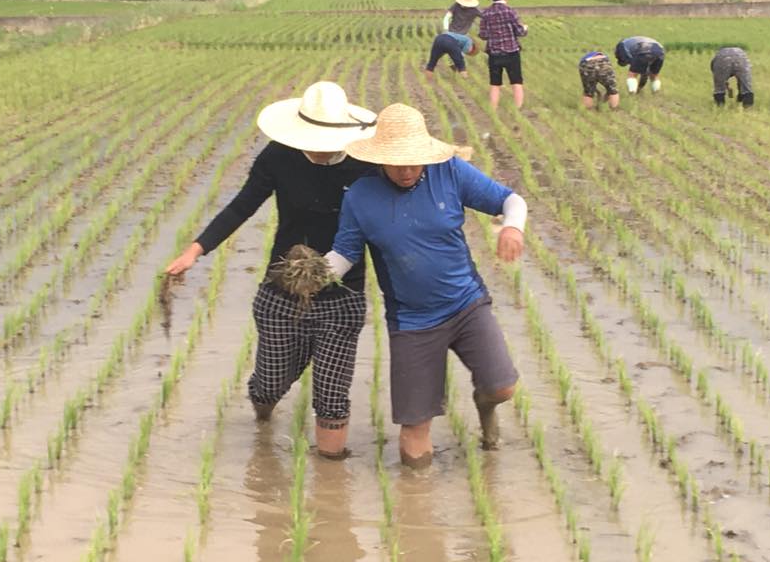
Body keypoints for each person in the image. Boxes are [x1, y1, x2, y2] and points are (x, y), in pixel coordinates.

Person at [165, 82, 377, 459]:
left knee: (331, 396)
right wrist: (195, 251)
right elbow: (241, 206)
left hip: (344, 296)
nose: (321, 146)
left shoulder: (366, 164)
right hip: (282, 292)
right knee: (271, 382)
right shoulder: (278, 157)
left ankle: (331, 485)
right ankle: (263, 413)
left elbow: (387, 227)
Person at [326, 103, 528, 468]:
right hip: (413, 322)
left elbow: (510, 200)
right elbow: (345, 253)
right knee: (414, 443)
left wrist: (512, 227)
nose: (406, 169)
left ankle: (484, 404)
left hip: (466, 304)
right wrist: (311, 277)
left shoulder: (449, 172)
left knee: (502, 387)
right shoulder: (359, 196)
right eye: (397, 161)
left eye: (414, 160)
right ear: (380, 158)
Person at [479, 0, 528, 110]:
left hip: (494, 54)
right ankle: (518, 109)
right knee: (516, 82)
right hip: (511, 52)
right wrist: (525, 28)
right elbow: (520, 32)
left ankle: (493, 110)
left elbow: (483, 35)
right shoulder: (510, 11)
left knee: (495, 84)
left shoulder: (486, 13)